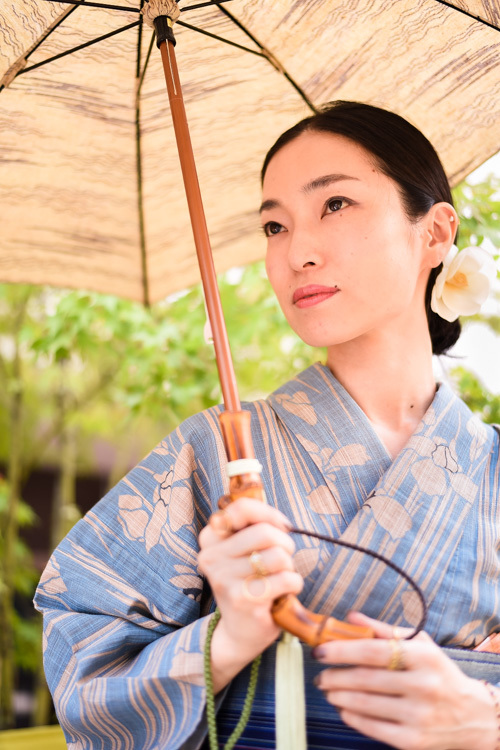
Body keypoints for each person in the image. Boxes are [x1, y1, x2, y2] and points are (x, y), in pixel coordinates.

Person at [34, 101, 500, 750]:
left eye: (335, 204)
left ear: (436, 231)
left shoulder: (493, 471)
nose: (297, 252)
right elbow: (85, 660)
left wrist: (483, 719)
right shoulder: (211, 456)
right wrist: (227, 640)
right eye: (274, 226)